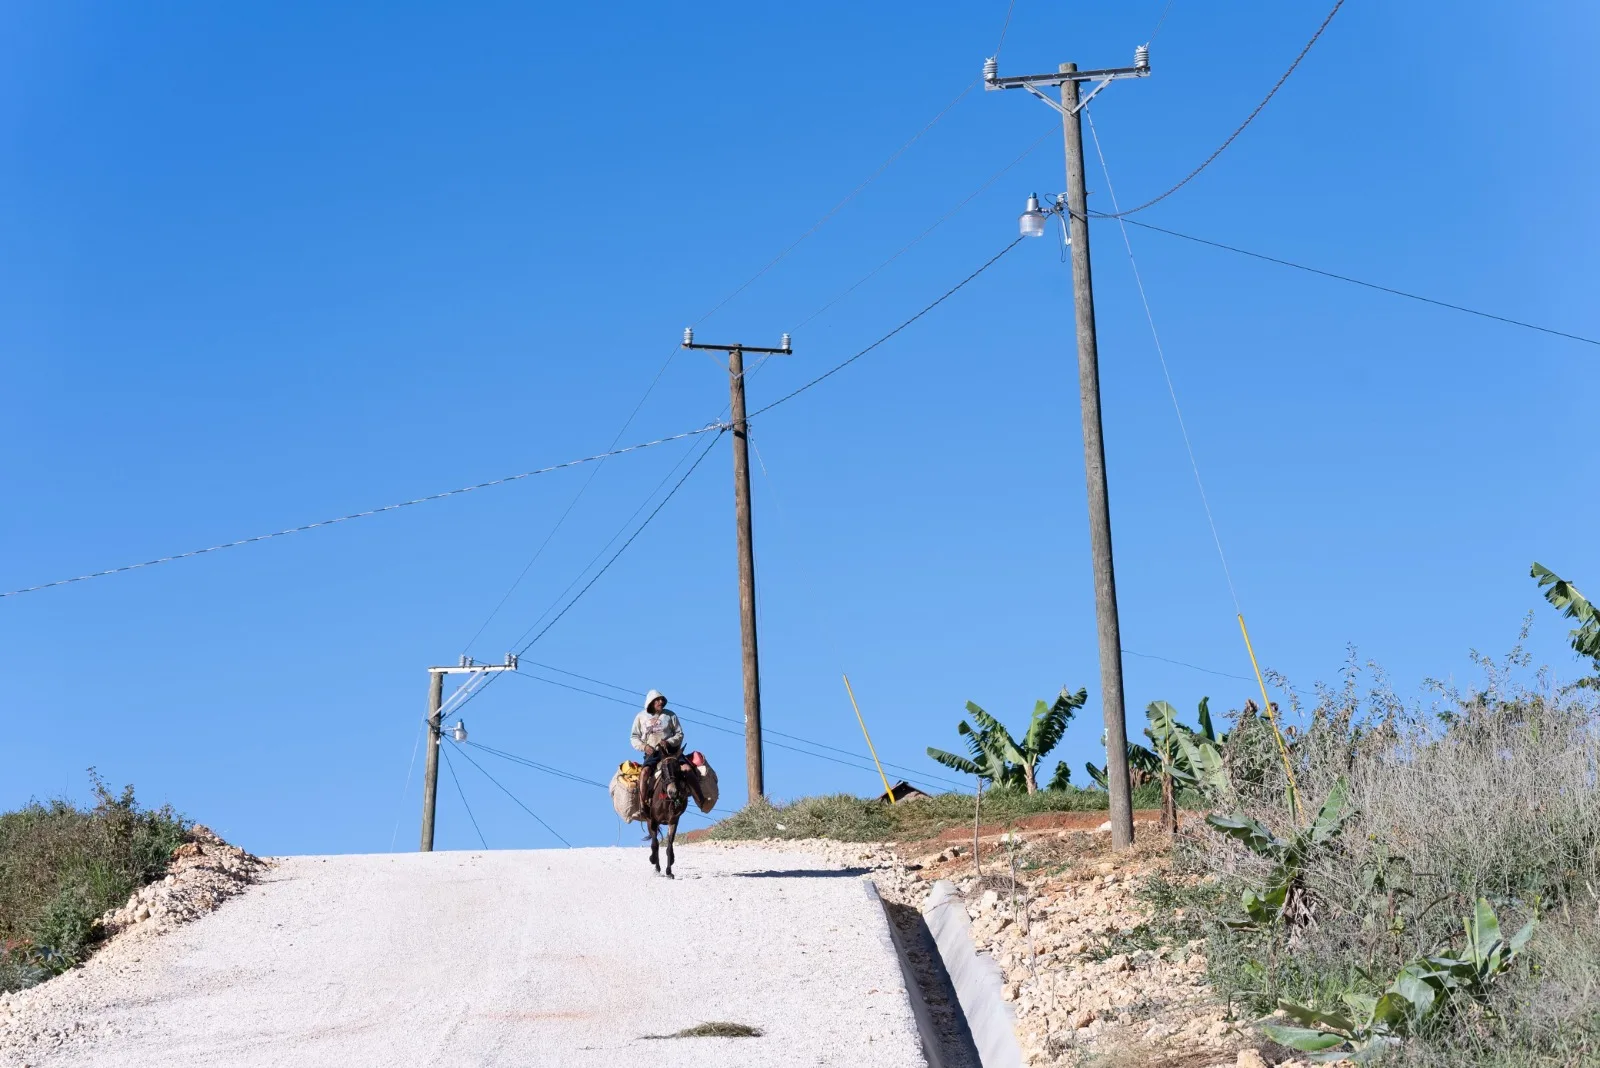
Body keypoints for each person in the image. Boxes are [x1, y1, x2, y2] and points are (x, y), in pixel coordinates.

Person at [630, 690, 698, 809]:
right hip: (653, 753)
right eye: (657, 700)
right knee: (644, 772)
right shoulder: (641, 717)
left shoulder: (670, 715)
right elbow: (634, 737)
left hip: (671, 752)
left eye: (662, 700)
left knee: (687, 768)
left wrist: (668, 742)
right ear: (651, 702)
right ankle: (643, 804)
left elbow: (679, 734)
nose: (660, 702)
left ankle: (699, 798)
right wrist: (644, 747)